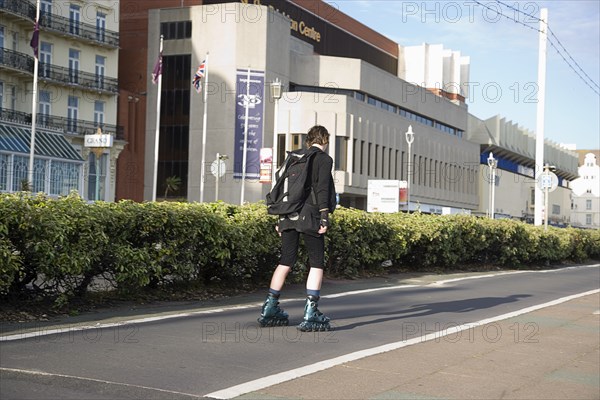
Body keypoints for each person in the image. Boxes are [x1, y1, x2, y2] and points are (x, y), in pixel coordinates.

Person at [258, 125, 336, 331]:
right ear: (325, 140)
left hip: (287, 214)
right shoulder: (324, 159)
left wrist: (280, 217)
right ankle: (311, 312)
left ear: (308, 141)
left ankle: (269, 307)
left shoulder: (294, 157)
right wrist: (324, 217)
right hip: (310, 215)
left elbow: (283, 187)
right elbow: (322, 189)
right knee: (316, 262)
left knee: (285, 261)